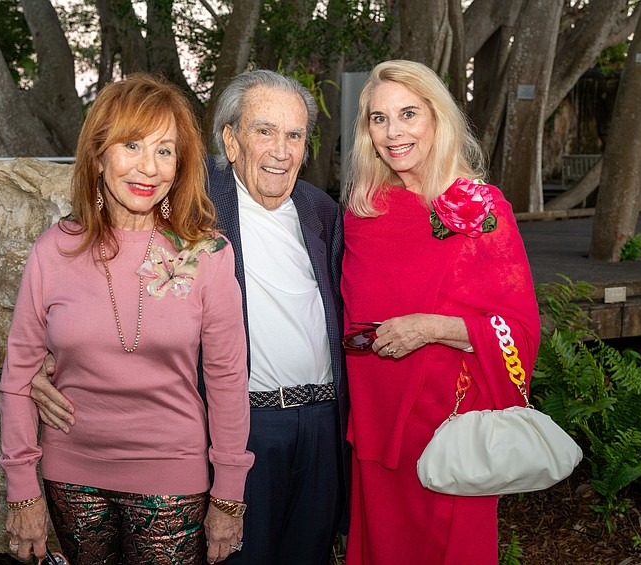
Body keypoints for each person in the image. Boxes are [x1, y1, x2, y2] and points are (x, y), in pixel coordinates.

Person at [31, 69, 348, 565]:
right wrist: (40, 365)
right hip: (244, 427)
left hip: (321, 424)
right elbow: (95, 282)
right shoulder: (189, 211)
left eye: (295, 135)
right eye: (264, 131)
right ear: (232, 140)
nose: (281, 151)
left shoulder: (321, 211)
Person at [0, 73, 254, 565]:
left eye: (165, 150)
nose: (149, 167)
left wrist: (229, 494)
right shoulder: (54, 250)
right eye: (131, 145)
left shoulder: (208, 254)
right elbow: (17, 377)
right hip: (69, 476)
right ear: (97, 156)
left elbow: (226, 381)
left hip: (173, 478)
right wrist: (22, 492)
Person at [340, 60, 541, 564]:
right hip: (377, 429)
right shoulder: (364, 212)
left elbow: (518, 330)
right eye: (379, 118)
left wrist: (430, 328)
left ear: (438, 119)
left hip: (453, 434)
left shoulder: (481, 209)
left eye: (408, 113)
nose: (393, 132)